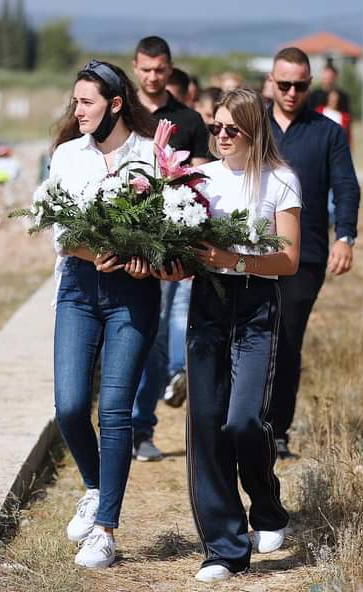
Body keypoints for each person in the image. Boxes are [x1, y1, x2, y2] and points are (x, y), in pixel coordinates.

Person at [165, 88, 302, 582]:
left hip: (257, 302)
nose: (221, 137)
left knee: (243, 419)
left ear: (253, 131)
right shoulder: (200, 179)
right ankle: (224, 547)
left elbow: (288, 259)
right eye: (215, 127)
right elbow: (183, 248)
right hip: (208, 301)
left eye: (231, 129)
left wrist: (235, 260)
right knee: (206, 423)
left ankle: (266, 504)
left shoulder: (281, 180)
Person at [47, 60, 163, 568]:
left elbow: (169, 231)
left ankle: (105, 530)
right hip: (78, 287)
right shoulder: (67, 156)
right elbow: (57, 231)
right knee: (70, 405)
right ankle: (94, 486)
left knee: (115, 409)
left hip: (132, 295)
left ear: (116, 104)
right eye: (76, 101)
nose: (78, 110)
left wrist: (147, 259)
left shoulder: (152, 156)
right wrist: (93, 254)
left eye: (87, 102)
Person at [266, 47, 361, 459]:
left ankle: (277, 430)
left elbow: (346, 187)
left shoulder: (327, 132)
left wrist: (346, 237)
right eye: (283, 84)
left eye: (299, 86)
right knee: (251, 340)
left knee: (286, 341)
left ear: (310, 85)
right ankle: (244, 423)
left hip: (304, 257)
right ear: (271, 81)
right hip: (247, 252)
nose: (290, 92)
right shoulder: (250, 128)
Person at [130, 36, 211, 462]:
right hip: (129, 241)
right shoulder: (123, 112)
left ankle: (143, 427)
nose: (153, 76)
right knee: (136, 334)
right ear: (136, 67)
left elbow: (202, 181)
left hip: (174, 243)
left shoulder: (189, 119)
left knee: (162, 330)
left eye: (160, 70)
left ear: (169, 68)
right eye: (145, 69)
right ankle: (122, 422)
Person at [308, 59, 353, 144]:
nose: (327, 80)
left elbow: (347, 121)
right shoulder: (314, 96)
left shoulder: (343, 97)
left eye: (330, 78)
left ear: (335, 77)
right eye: (325, 77)